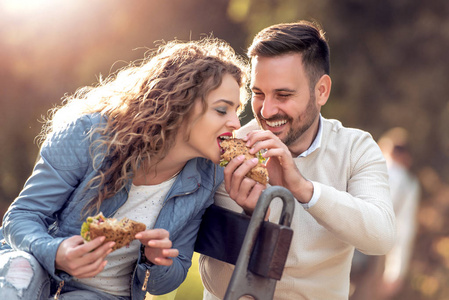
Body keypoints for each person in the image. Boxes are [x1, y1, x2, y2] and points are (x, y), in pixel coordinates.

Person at [0, 37, 249, 300]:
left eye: (237, 110)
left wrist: (156, 260)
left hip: (100, 295)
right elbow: (21, 217)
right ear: (179, 105)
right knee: (18, 272)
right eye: (222, 110)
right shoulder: (89, 136)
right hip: (36, 268)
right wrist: (57, 253)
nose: (235, 123)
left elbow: (170, 276)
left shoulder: (207, 177)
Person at [199, 20, 396, 299]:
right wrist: (253, 218)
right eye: (258, 94)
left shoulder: (356, 148)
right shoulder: (231, 154)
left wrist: (304, 189)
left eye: (283, 95)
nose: (266, 111)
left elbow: (381, 237)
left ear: (322, 91)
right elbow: (216, 286)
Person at [350, 127, 421, 300]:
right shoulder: (408, 184)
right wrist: (395, 272)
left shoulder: (363, 165)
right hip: (372, 252)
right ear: (406, 158)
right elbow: (403, 230)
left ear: (383, 148)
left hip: (341, 238)